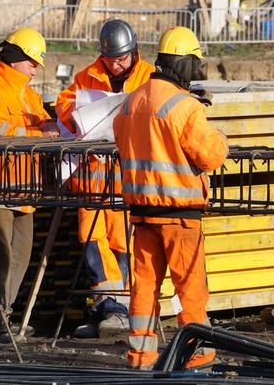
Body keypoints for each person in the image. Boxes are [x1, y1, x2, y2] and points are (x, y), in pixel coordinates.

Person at [113, 26, 228, 370]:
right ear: (186, 62)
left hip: (143, 216)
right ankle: (198, 356)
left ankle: (141, 356)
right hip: (180, 217)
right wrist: (219, 136)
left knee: (145, 289)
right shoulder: (185, 107)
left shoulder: (131, 100)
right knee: (190, 291)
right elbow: (208, 156)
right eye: (195, 63)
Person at [55, 19, 154, 338]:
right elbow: (64, 103)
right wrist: (76, 113)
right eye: (110, 60)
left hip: (128, 178)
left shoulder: (149, 76)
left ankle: (120, 307)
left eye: (121, 59)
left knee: (123, 241)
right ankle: (106, 306)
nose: (115, 65)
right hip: (93, 180)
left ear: (133, 51)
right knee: (92, 240)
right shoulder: (88, 76)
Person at [0, 27, 59, 343]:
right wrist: (39, 135)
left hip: (22, 188)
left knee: (18, 257)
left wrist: (53, 125)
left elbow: (43, 124)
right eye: (32, 62)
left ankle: (4, 316)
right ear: (17, 58)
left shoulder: (27, 94)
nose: (34, 69)